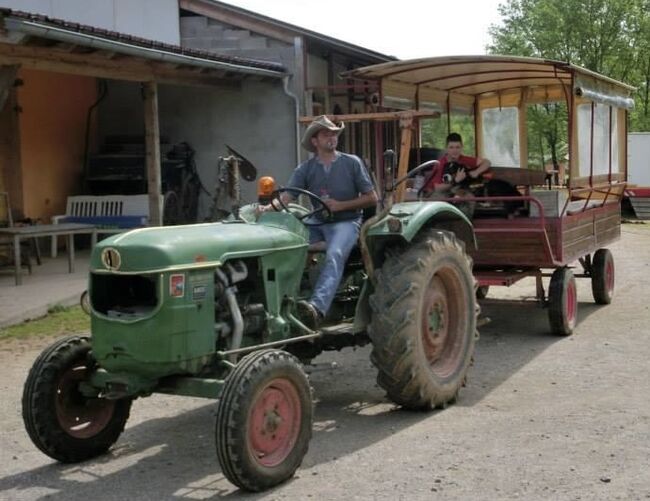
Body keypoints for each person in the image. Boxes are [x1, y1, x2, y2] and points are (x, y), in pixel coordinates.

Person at [261, 115, 378, 327]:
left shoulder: (351, 163)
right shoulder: (305, 169)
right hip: (317, 222)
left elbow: (372, 198)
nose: (332, 138)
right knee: (289, 244)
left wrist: (341, 205)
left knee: (334, 254)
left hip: (347, 222)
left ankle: (316, 308)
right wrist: (264, 210)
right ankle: (284, 304)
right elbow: (287, 198)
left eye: (334, 134)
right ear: (315, 141)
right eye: (326, 134)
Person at [420, 132, 491, 197]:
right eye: (451, 147)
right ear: (446, 148)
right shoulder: (440, 164)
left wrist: (476, 172)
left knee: (469, 197)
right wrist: (456, 180)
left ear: (461, 147)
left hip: (458, 192)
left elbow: (487, 162)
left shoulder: (464, 159)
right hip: (436, 193)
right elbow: (437, 188)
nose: (455, 151)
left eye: (457, 147)